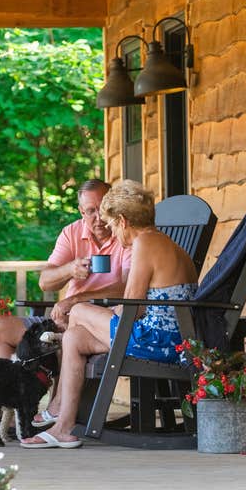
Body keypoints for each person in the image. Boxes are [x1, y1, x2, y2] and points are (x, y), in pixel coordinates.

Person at [20, 180, 198, 448]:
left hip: (160, 341)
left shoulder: (144, 243)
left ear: (123, 220)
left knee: (78, 310)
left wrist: (92, 310)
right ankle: (63, 427)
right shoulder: (158, 241)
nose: (113, 232)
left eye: (112, 224)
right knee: (75, 338)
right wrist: (109, 312)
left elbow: (134, 308)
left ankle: (57, 404)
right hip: (162, 336)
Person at [0, 179, 130, 423]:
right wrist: (70, 269)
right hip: (63, 317)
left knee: (67, 327)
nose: (98, 217)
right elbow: (45, 282)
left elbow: (126, 286)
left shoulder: (124, 233)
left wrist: (74, 300)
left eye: (102, 208)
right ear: (82, 212)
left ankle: (54, 411)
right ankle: (6, 409)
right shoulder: (72, 233)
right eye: (90, 211)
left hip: (98, 322)